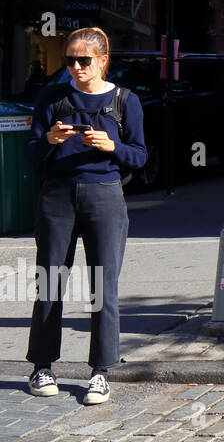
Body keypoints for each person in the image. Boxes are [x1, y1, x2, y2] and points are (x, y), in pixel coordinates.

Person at [24, 27, 147, 403]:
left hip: (105, 197)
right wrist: (49, 140)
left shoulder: (125, 101)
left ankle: (100, 372)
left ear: (103, 60)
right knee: (49, 281)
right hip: (57, 197)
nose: (76, 67)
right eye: (70, 60)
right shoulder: (51, 97)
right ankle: (42, 366)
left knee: (103, 286)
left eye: (84, 60)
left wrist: (112, 146)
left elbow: (140, 156)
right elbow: (29, 156)